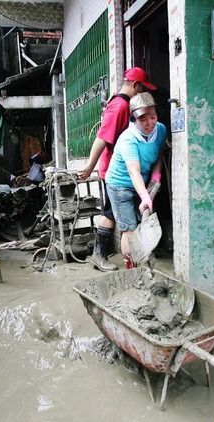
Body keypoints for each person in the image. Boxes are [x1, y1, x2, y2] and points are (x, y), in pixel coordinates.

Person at [78, 67, 156, 271]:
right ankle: (100, 254)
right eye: (141, 89)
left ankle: (100, 254)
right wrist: (89, 166)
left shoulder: (121, 104)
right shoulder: (121, 106)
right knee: (113, 214)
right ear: (135, 85)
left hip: (120, 168)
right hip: (117, 172)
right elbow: (102, 138)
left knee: (111, 213)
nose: (141, 94)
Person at [105, 92, 166, 269]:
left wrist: (156, 177)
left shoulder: (160, 130)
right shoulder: (128, 139)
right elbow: (133, 171)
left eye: (153, 117)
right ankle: (131, 269)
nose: (149, 123)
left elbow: (159, 155)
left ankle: (144, 263)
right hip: (120, 185)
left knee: (142, 222)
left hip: (142, 183)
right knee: (129, 228)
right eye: (143, 119)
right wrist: (145, 196)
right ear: (133, 119)